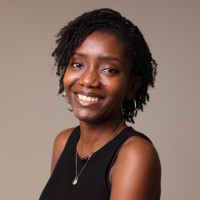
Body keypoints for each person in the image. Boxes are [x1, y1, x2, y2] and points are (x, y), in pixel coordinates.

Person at [39, 8, 161, 200]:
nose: (88, 80)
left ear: (132, 86)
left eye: (109, 69)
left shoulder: (135, 155)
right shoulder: (64, 142)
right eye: (78, 64)